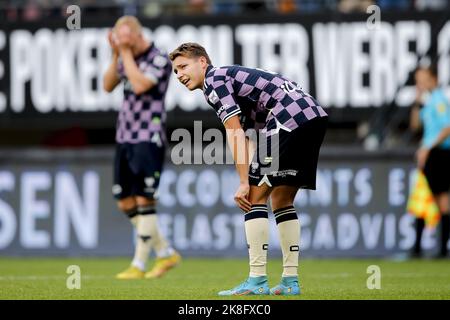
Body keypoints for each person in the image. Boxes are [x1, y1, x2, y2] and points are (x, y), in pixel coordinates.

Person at [169, 43, 328, 295]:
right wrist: (254, 171)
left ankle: (257, 280)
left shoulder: (215, 80)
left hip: (287, 117)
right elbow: (252, 135)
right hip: (312, 116)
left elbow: (235, 133)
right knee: (281, 199)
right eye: (175, 71)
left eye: (182, 67)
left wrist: (245, 182)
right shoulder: (229, 78)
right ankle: (289, 281)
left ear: (202, 62)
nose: (178, 75)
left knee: (254, 198)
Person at [103, 16, 181, 279]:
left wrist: (124, 53)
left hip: (148, 135)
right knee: (125, 201)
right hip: (124, 135)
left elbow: (139, 85)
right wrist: (116, 54)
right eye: (119, 38)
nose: (124, 43)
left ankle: (138, 264)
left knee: (144, 198)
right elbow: (107, 85)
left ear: (137, 35)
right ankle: (165, 251)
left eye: (125, 39)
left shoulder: (158, 57)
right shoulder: (126, 56)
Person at [410, 65, 450, 258]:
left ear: (433, 79)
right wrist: (417, 103)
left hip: (439, 154)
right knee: (423, 197)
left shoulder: (439, 100)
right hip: (430, 154)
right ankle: (418, 248)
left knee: (441, 200)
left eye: (423, 78)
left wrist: (428, 147)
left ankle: (442, 249)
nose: (420, 83)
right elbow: (415, 126)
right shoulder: (426, 101)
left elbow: (447, 128)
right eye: (417, 79)